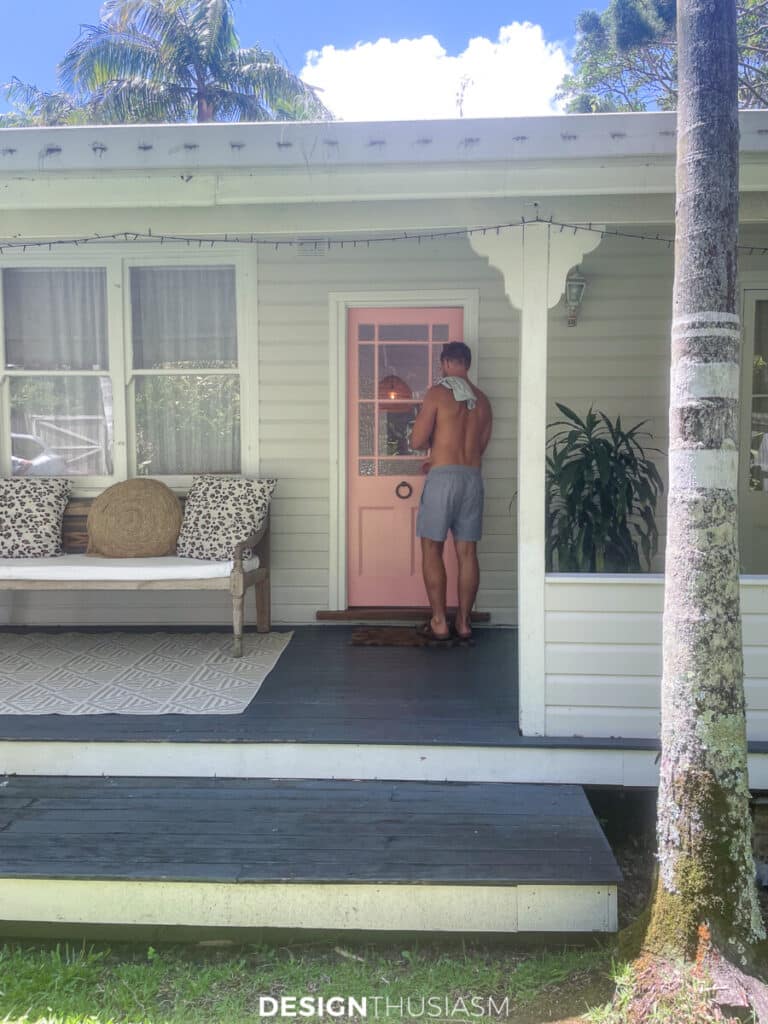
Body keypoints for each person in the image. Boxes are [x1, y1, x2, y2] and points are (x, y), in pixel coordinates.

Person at [409, 341, 493, 642]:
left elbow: (418, 440)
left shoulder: (437, 393)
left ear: (445, 363)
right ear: (467, 364)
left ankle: (440, 622)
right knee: (467, 552)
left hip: (443, 478)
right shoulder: (483, 401)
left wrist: (438, 456)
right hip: (472, 478)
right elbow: (479, 448)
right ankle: (465, 622)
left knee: (432, 547)